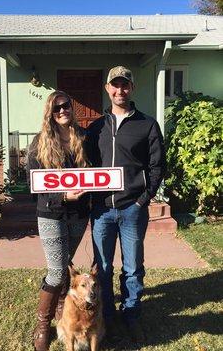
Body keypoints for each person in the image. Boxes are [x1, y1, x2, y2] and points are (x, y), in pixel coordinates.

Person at [86, 66, 165, 343]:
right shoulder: (96, 128)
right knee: (103, 266)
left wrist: (143, 199)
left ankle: (131, 315)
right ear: (108, 89)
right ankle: (105, 317)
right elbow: (85, 167)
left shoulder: (147, 124)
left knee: (132, 266)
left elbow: (157, 166)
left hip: (133, 208)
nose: (120, 90)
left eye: (125, 85)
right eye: (115, 85)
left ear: (132, 88)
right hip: (102, 210)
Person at [27, 90, 89, 351]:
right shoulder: (39, 142)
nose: (62, 111)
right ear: (49, 113)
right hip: (51, 213)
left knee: (65, 267)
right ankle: (43, 323)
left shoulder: (83, 137)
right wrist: (63, 194)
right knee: (55, 271)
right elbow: (34, 183)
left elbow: (95, 171)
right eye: (57, 108)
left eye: (66, 106)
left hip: (78, 214)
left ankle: (61, 311)